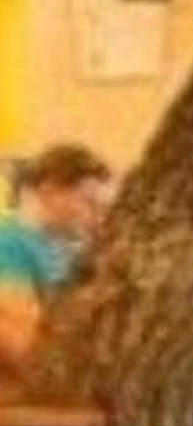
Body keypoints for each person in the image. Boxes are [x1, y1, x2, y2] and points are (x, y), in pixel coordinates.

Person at [0, 143, 113, 378]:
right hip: (44, 373)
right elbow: (22, 334)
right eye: (87, 201)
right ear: (49, 192)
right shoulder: (8, 242)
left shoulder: (69, 246)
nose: (96, 215)